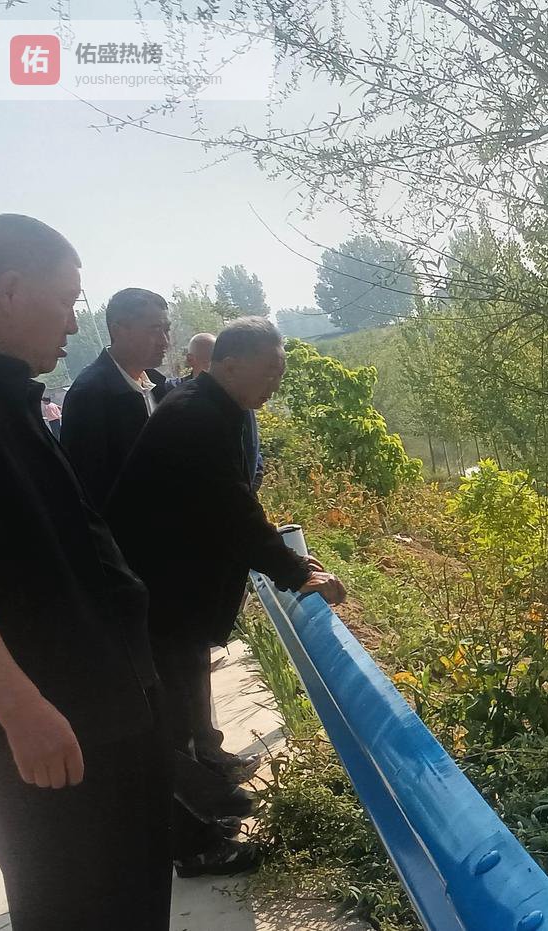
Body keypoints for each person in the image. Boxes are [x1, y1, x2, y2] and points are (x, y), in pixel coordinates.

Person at [0, 214, 171, 929]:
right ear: (9, 291)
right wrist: (20, 710)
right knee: (74, 901)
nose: (73, 321)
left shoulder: (10, 397)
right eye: (65, 299)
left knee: (130, 889)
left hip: (105, 708)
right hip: (51, 727)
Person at [106, 317, 346, 869]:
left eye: (281, 372)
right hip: (157, 596)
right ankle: (192, 848)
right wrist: (297, 573)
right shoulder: (196, 417)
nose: (276, 383)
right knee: (170, 721)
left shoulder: (215, 407)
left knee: (185, 710)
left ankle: (208, 814)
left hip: (170, 593)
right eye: (269, 372)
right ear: (230, 366)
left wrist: (286, 558)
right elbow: (231, 512)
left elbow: (232, 501)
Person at [61, 287, 172, 509]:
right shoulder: (89, 396)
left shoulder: (158, 386)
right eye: (154, 330)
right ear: (118, 331)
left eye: (166, 330)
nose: (164, 341)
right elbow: (89, 488)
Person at [175, 331, 264, 492]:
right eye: (209, 361)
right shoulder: (177, 394)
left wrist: (253, 482)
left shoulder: (235, 394)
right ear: (191, 359)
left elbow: (251, 443)